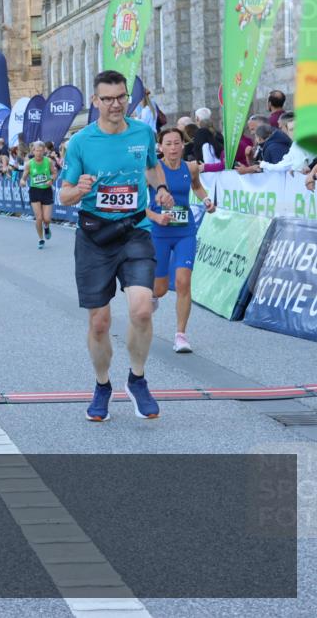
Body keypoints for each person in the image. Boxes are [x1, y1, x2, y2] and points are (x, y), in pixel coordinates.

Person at [59, 69, 174, 422]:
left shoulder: (142, 132)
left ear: (128, 97)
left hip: (135, 230)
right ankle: (102, 384)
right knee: (99, 323)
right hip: (94, 237)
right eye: (107, 99)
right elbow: (63, 194)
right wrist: (78, 190)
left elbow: (152, 168)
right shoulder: (81, 142)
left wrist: (160, 190)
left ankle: (137, 379)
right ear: (95, 102)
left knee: (141, 309)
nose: (115, 104)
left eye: (121, 96)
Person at [146, 128, 216, 353]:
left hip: (185, 230)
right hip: (160, 232)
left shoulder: (191, 167)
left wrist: (206, 200)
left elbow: (196, 187)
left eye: (177, 143)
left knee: (184, 281)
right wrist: (157, 216)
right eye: (168, 144)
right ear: (160, 147)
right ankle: (153, 297)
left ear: (183, 145)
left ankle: (181, 335)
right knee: (160, 288)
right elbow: (138, 204)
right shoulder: (152, 171)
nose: (174, 148)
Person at [19, 141, 58, 249]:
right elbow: (24, 177)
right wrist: (22, 181)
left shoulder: (49, 161)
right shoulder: (29, 164)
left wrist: (51, 180)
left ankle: (47, 226)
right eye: (37, 151)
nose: (39, 153)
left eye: (41, 151)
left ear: (44, 150)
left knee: (47, 218)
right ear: (33, 151)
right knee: (39, 218)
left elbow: (55, 173)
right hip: (35, 191)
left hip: (46, 191)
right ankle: (41, 239)